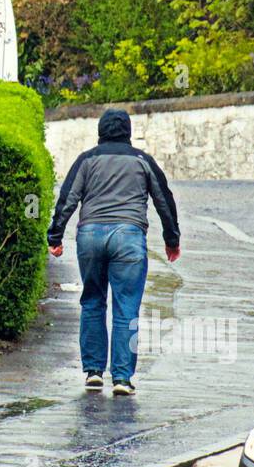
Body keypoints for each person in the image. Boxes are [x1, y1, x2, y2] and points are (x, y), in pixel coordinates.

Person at [47, 109, 180, 396]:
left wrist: (55, 235)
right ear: (128, 132)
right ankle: (121, 378)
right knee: (126, 308)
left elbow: (68, 197)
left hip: (90, 236)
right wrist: (172, 239)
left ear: (100, 131)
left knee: (93, 301)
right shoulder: (142, 161)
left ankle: (93, 372)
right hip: (129, 237)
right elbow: (163, 200)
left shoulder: (87, 160)